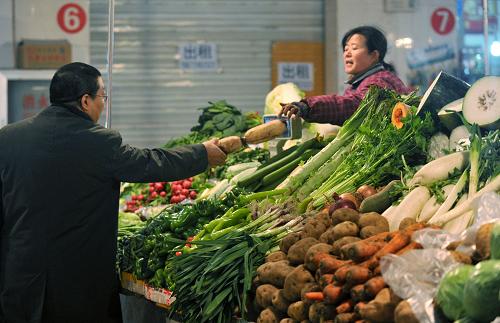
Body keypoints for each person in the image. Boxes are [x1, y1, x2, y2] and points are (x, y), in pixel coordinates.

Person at [0, 62, 226, 323]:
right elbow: (151, 163)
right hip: (78, 290)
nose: (103, 104)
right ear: (85, 101)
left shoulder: (7, 139)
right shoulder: (99, 142)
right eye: (102, 96)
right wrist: (202, 153)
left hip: (20, 283)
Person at [280, 26, 410, 125]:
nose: (347, 53)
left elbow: (356, 105)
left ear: (374, 55)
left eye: (354, 48)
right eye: (346, 49)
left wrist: (308, 106)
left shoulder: (380, 81)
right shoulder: (364, 81)